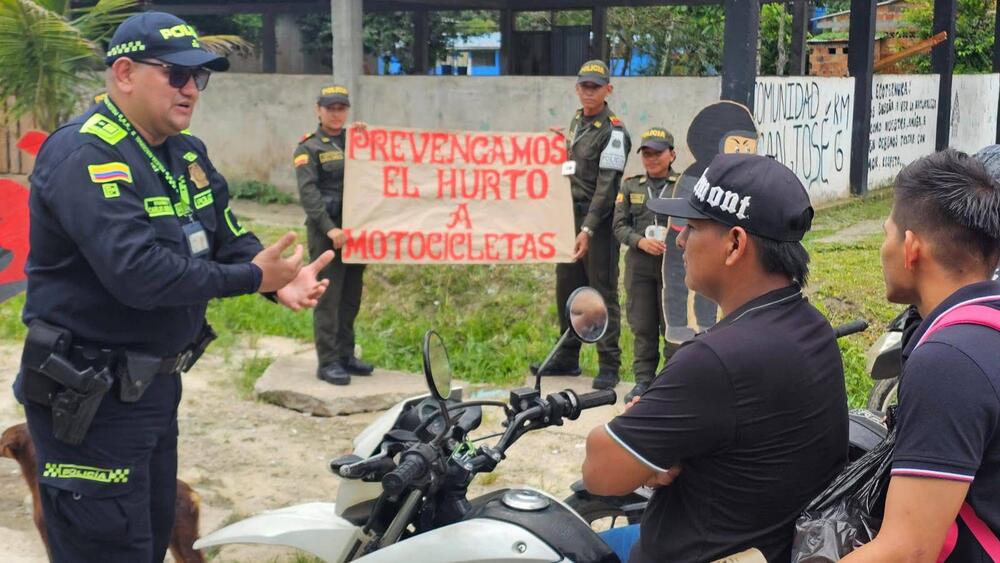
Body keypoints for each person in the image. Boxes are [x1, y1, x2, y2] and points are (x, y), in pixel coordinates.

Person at [12, 12, 332, 561]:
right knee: (107, 547)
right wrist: (254, 276)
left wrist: (274, 280)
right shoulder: (87, 155)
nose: (191, 89)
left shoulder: (185, 153)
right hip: (87, 401)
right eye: (176, 74)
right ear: (125, 73)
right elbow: (140, 275)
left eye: (199, 77)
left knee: (152, 536)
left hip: (152, 389)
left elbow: (227, 235)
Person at [582, 154, 848, 562]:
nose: (680, 241)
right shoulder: (810, 325)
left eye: (693, 227)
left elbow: (600, 473)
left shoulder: (715, 361)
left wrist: (647, 445)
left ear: (735, 244)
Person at [843, 149, 1000, 562]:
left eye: (887, 234)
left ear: (911, 247)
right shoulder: (988, 327)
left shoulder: (949, 362)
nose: (884, 248)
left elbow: (907, 551)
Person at [532, 59, 631, 390]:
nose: (589, 92)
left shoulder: (614, 132)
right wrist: (558, 145)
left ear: (607, 89)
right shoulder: (578, 121)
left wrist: (587, 229)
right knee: (567, 288)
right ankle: (567, 356)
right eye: (584, 86)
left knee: (601, 291)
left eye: (595, 87)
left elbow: (606, 186)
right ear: (577, 88)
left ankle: (609, 364)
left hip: (597, 222)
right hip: (569, 218)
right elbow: (575, 166)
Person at [294, 86, 373, 385]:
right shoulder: (309, 148)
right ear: (319, 110)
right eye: (330, 108)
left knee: (351, 296)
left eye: (341, 108)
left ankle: (345, 355)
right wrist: (330, 228)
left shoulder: (356, 141)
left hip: (356, 231)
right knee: (329, 297)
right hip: (327, 232)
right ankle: (327, 362)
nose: (336, 114)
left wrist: (369, 137)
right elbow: (309, 194)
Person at [663, 101, 758, 345]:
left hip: (722, 243)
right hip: (687, 237)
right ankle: (677, 325)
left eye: (748, 146)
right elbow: (682, 221)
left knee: (711, 283)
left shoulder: (744, 178)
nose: (743, 152)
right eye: (736, 145)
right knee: (679, 282)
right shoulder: (694, 177)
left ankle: (707, 324)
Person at [612, 127, 680, 403]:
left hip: (673, 268)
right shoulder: (631, 186)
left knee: (673, 326)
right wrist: (640, 241)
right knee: (643, 325)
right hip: (640, 266)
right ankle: (643, 382)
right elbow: (619, 225)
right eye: (646, 154)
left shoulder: (683, 185)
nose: (651, 159)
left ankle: (672, 381)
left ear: (672, 154)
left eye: (657, 153)